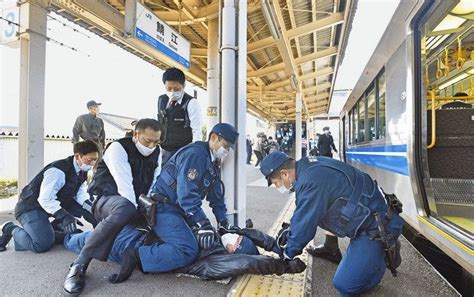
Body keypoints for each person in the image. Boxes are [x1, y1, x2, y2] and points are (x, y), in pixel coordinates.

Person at [94, 123, 239, 284]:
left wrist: (223, 223)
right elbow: (186, 195)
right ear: (213, 138)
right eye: (224, 145)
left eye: (228, 148)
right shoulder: (196, 154)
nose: (226, 151)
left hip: (180, 210)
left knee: (206, 239)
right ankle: (137, 255)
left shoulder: (211, 163)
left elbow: (216, 198)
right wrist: (203, 223)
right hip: (164, 208)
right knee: (187, 249)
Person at [259, 152, 404, 296]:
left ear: (284, 174)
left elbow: (304, 227)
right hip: (373, 214)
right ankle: (373, 253)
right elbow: (305, 211)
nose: (278, 187)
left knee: (345, 286)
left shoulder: (310, 182)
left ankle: (383, 254)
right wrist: (292, 228)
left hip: (378, 228)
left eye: (276, 183)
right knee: (319, 215)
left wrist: (287, 255)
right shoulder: (307, 165)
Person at [63, 119, 163, 295]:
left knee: (157, 210)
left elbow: (154, 184)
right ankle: (79, 264)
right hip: (106, 201)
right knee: (125, 209)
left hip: (131, 206)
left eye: (156, 142)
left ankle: (63, 236)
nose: (152, 146)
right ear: (135, 135)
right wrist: (141, 216)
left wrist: (151, 208)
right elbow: (125, 188)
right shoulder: (118, 148)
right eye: (148, 141)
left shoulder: (158, 152)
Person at [62, 224, 306, 283]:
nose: (236, 238)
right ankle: (58, 230)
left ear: (231, 253)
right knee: (85, 234)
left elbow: (247, 261)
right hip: (135, 229)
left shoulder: (208, 263)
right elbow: (252, 235)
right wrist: (280, 249)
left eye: (237, 242)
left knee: (76, 241)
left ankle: (55, 234)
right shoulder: (217, 236)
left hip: (125, 246)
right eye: (238, 237)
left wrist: (281, 266)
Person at [0, 140, 99, 253]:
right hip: (31, 207)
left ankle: (50, 229)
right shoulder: (57, 171)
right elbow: (45, 199)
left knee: (82, 208)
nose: (92, 164)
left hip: (48, 206)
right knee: (41, 244)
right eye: (89, 160)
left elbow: (80, 194)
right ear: (78, 156)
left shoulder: (82, 171)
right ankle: (9, 228)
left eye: (95, 160)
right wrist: (64, 216)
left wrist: (91, 210)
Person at [157, 67, 202, 165]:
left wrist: (195, 153)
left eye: (177, 89)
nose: (172, 92)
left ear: (184, 85)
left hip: (183, 151)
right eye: (169, 88)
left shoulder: (191, 103)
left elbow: (197, 130)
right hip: (164, 150)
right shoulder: (161, 100)